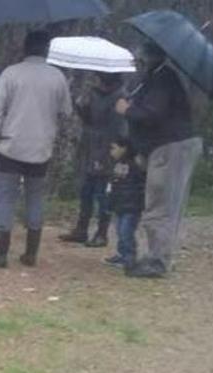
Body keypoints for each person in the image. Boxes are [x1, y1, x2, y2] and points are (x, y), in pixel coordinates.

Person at [0, 30, 73, 268]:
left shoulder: (10, 74)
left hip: (9, 147)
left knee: (4, 199)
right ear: (46, 50)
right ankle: (31, 253)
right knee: (35, 199)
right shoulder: (58, 77)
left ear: (24, 48)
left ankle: (0, 254)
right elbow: (67, 113)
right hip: (41, 149)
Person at [116, 42, 203, 278]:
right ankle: (157, 255)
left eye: (140, 58)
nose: (137, 62)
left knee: (161, 204)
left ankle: (157, 260)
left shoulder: (163, 79)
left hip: (169, 148)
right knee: (161, 204)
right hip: (167, 147)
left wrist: (127, 110)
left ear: (149, 58)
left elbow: (152, 114)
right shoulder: (157, 79)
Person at [62, 72, 127, 248]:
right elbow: (89, 118)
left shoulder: (121, 96)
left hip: (107, 148)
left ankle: (102, 232)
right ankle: (81, 229)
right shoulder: (94, 93)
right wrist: (80, 107)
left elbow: (120, 126)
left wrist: (116, 150)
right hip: (90, 145)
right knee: (86, 190)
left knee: (103, 192)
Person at [102, 137, 145, 269]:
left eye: (114, 148)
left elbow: (139, 185)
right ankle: (122, 255)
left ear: (124, 148)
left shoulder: (134, 166)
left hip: (131, 205)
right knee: (120, 231)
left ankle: (129, 257)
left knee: (126, 232)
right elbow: (113, 185)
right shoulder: (116, 165)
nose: (111, 152)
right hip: (119, 204)